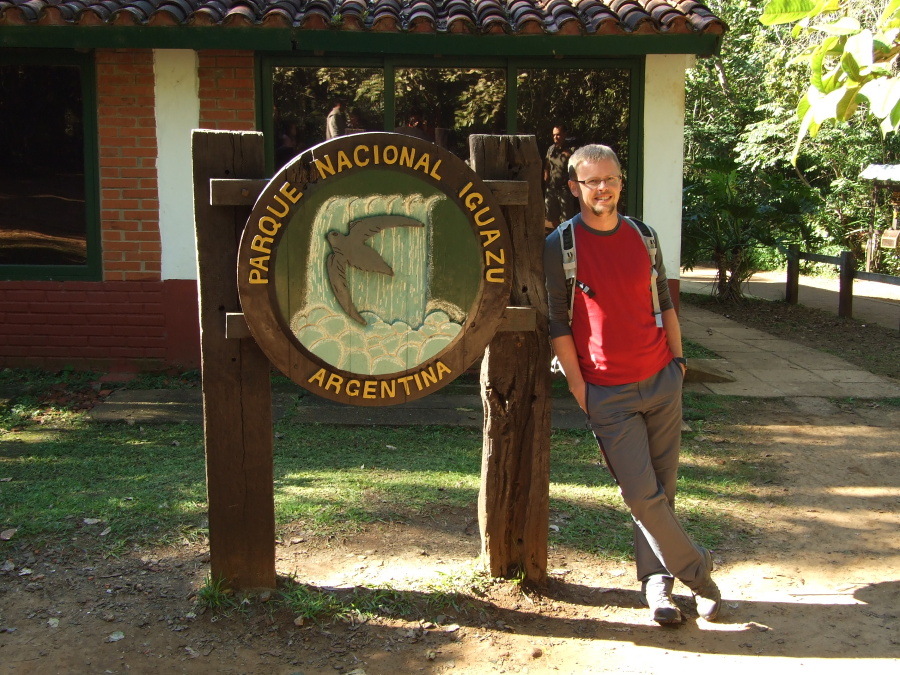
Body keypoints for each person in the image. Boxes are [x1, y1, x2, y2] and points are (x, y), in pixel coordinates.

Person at [543, 144, 721, 625]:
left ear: (622, 181)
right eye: (591, 181)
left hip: (662, 379)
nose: (602, 188)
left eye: (610, 179)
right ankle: (700, 575)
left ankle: (657, 587)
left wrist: (679, 362)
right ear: (574, 187)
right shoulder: (562, 244)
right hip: (607, 393)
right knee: (641, 495)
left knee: (662, 490)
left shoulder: (644, 235)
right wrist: (581, 389)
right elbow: (558, 323)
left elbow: (664, 302)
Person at [543, 125, 577, 233]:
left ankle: (567, 239)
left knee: (567, 218)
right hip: (552, 188)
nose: (556, 137)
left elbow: (576, 169)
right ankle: (558, 235)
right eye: (554, 135)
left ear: (564, 135)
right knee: (551, 216)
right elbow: (547, 166)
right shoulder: (551, 149)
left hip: (565, 189)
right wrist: (546, 178)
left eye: (558, 134)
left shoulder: (571, 150)